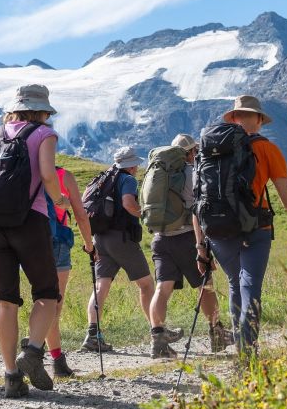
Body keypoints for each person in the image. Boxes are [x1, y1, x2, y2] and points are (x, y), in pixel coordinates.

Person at [0, 84, 65, 397]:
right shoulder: (44, 134)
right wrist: (60, 200)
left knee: (6, 300)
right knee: (47, 292)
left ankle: (12, 376)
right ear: (42, 110)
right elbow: (48, 175)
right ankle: (34, 353)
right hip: (29, 221)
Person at [205, 95, 287, 356]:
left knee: (233, 282)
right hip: (255, 228)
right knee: (250, 286)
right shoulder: (267, 149)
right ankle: (247, 350)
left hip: (217, 229)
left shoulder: (210, 149)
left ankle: (240, 344)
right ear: (259, 120)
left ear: (234, 118)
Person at [82, 147, 178, 352]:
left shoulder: (103, 178)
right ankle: (158, 330)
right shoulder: (127, 180)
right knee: (146, 284)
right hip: (121, 238)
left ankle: (92, 335)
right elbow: (128, 203)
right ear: (131, 165)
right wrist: (143, 214)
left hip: (100, 238)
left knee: (101, 286)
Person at [148, 134, 234, 358]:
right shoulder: (191, 173)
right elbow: (201, 205)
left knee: (162, 288)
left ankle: (157, 338)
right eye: (195, 150)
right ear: (191, 152)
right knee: (205, 285)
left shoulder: (158, 174)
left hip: (159, 238)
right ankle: (217, 332)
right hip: (186, 237)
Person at [36, 165, 95, 378]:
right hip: (57, 240)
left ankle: (36, 354)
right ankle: (54, 360)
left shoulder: (25, 174)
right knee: (54, 304)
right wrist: (89, 245)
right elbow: (80, 214)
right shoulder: (63, 176)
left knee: (39, 300)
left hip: (28, 243)